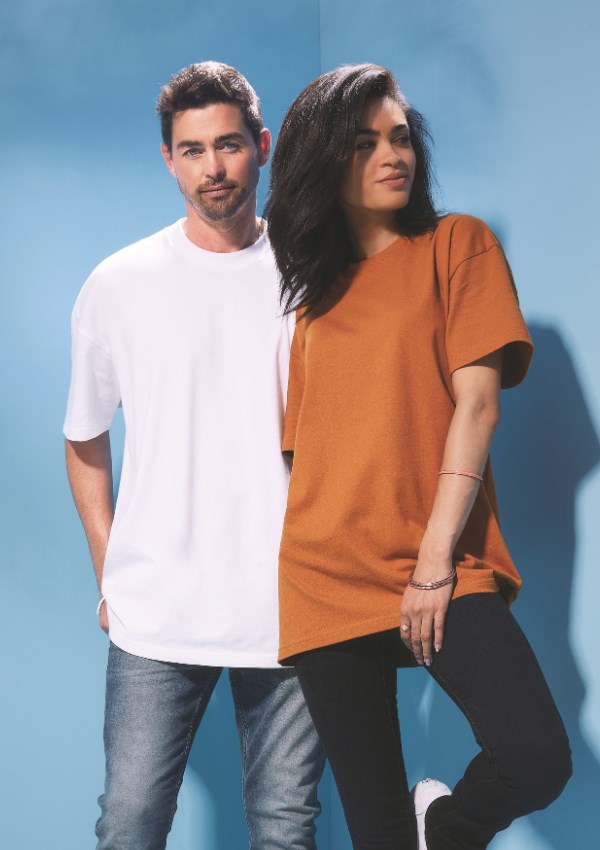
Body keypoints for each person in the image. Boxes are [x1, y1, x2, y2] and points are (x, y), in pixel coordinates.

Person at [265, 63, 571, 850]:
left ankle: (444, 824)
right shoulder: (313, 308)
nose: (392, 154)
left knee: (535, 757)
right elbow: (308, 455)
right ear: (325, 161)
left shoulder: (457, 245)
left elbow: (479, 405)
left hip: (437, 559)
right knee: (376, 835)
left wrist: (433, 563)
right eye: (364, 143)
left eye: (399, 137)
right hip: (325, 577)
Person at [64, 61, 325, 850]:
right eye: (192, 150)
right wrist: (110, 571)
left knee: (285, 828)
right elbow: (83, 437)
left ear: (262, 146)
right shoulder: (119, 283)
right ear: (168, 160)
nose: (213, 167)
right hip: (158, 609)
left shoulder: (313, 276)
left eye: (229, 145)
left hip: (291, 606)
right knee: (131, 821)